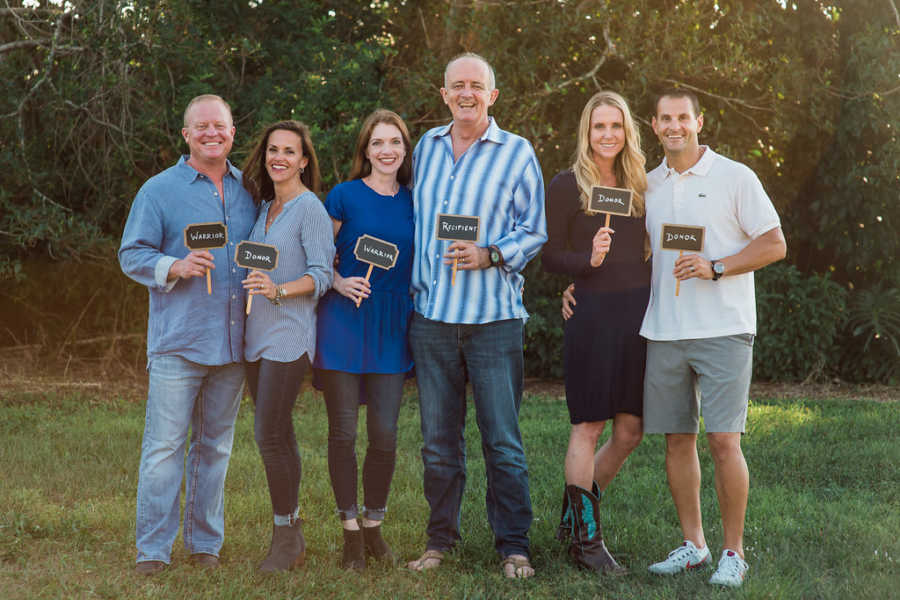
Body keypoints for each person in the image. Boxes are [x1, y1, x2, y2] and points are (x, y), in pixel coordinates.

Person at [563, 88, 786, 588]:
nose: (674, 126)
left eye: (682, 117)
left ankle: (734, 552)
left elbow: (775, 243)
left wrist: (717, 266)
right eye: (665, 118)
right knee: (677, 442)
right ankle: (694, 544)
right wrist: (576, 282)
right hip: (663, 330)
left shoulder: (735, 176)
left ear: (699, 121)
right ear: (655, 125)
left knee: (724, 442)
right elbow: (622, 253)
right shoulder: (648, 185)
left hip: (725, 329)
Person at [405, 52, 547, 579]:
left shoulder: (517, 152)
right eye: (457, 85)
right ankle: (440, 540)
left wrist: (491, 253)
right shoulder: (426, 148)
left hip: (493, 320)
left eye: (476, 86)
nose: (466, 93)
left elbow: (534, 229)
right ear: (444, 95)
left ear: (492, 96)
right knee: (438, 444)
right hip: (434, 318)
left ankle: (514, 545)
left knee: (502, 441)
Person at [119, 94, 258, 575]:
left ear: (232, 131)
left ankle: (205, 547)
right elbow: (130, 253)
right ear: (186, 135)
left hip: (234, 344)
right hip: (179, 342)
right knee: (164, 448)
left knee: (215, 447)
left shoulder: (251, 190)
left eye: (219, 126)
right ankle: (152, 552)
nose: (211, 134)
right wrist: (174, 265)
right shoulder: (158, 191)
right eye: (201, 127)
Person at [543, 91, 649, 575]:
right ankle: (588, 543)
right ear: (586, 132)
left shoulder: (642, 185)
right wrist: (585, 262)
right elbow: (548, 256)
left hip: (638, 318)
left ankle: (572, 515)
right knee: (589, 426)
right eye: (599, 126)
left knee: (630, 430)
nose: (608, 135)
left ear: (628, 131)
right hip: (591, 317)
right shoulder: (568, 185)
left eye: (616, 126)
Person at [313, 109, 414, 570]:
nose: (387, 150)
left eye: (395, 142)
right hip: (344, 321)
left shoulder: (415, 201)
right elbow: (316, 256)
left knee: (385, 435)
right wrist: (337, 282)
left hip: (392, 325)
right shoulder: (343, 196)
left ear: (405, 149)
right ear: (365, 150)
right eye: (378, 143)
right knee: (343, 432)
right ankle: (349, 531)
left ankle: (375, 524)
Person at [240, 120, 334, 571]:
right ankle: (292, 529)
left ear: (303, 160)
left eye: (289, 151)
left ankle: (284, 535)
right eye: (272, 150)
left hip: (289, 336)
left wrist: (277, 290)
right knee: (281, 435)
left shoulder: (309, 208)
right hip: (256, 338)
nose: (279, 157)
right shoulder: (264, 209)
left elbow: (320, 275)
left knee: (268, 435)